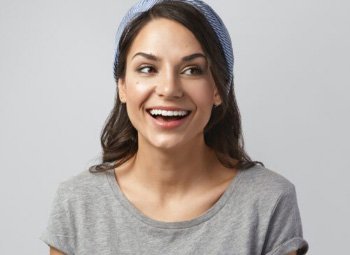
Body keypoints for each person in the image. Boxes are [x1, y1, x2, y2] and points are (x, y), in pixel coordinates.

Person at [40, 0, 309, 254]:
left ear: (218, 88)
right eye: (147, 68)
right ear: (122, 85)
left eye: (192, 70)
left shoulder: (269, 201)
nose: (169, 89)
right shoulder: (77, 204)